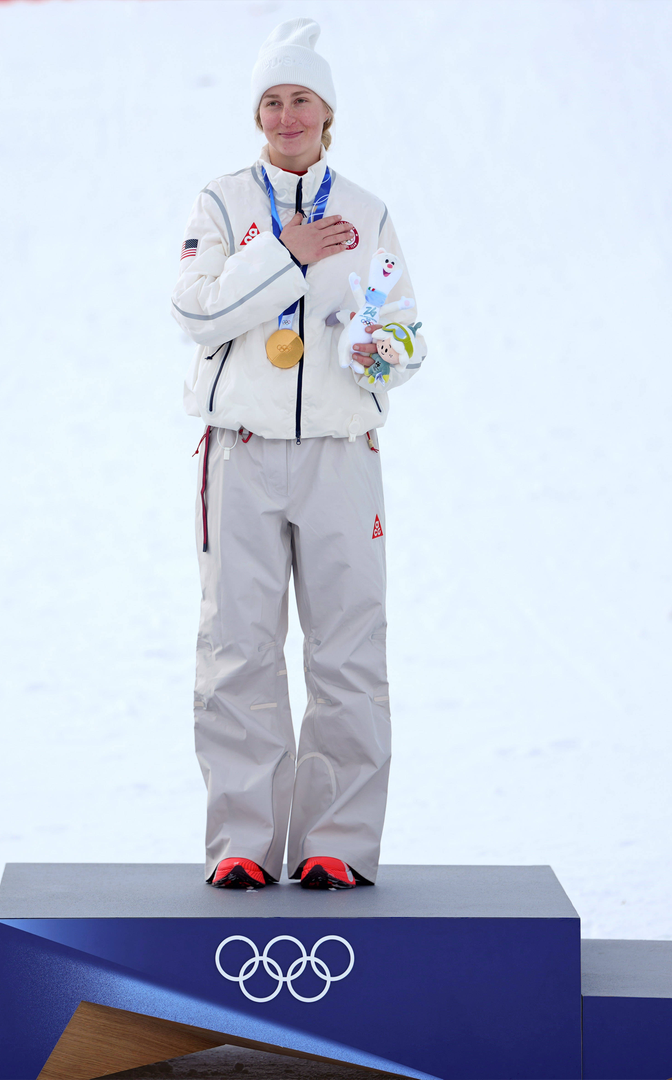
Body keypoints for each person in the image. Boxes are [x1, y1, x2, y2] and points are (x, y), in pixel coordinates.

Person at [172, 19, 428, 891]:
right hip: (239, 453)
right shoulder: (221, 204)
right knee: (237, 647)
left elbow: (406, 331)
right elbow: (197, 311)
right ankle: (243, 841)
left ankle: (337, 842)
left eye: (301, 100)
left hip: (339, 453)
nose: (287, 116)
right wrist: (284, 253)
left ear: (328, 112)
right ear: (258, 114)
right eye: (273, 101)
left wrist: (383, 350)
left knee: (348, 648)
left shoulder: (367, 211)